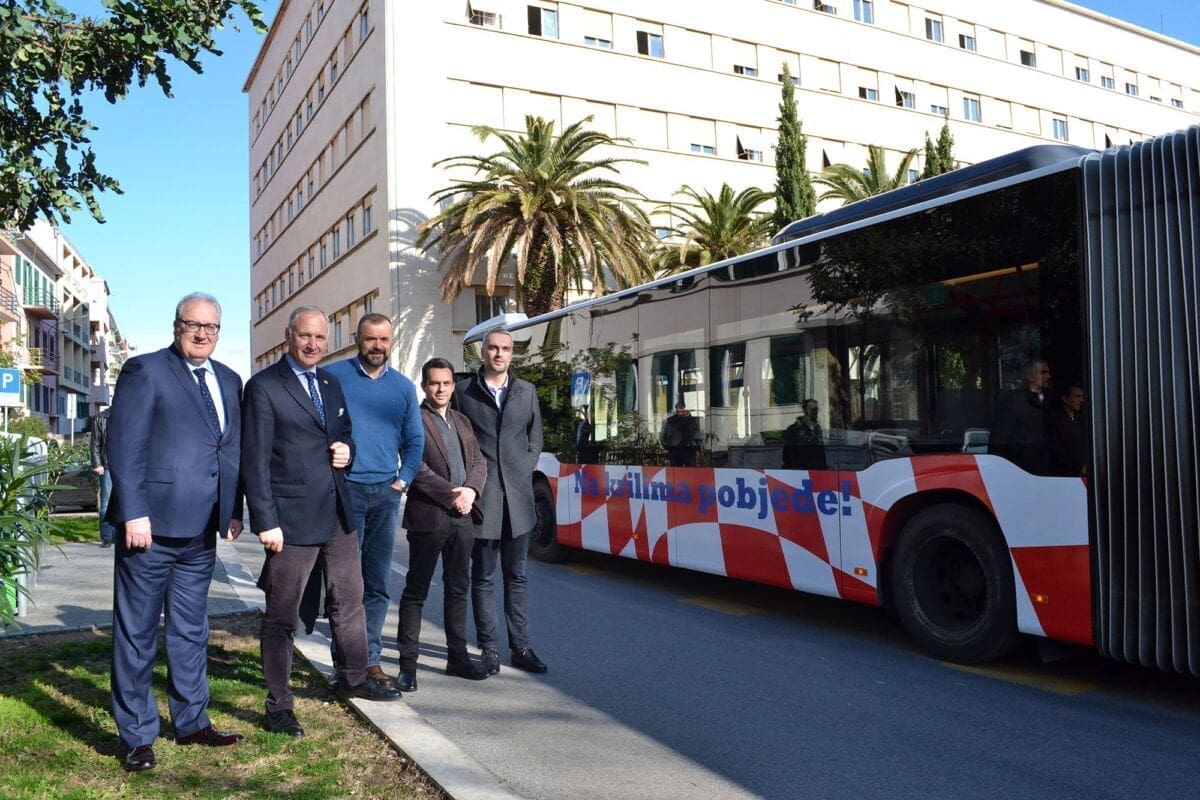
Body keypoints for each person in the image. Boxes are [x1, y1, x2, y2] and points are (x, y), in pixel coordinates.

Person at [241, 306, 400, 740]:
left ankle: (352, 677)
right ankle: (279, 706)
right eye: (305, 336)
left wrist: (347, 451)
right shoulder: (264, 387)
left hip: (337, 514)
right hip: (290, 521)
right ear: (288, 335)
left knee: (349, 600)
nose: (313, 345)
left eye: (320, 338)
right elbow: (254, 460)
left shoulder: (330, 383)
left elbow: (343, 435)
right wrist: (265, 521)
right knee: (282, 615)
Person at [106, 292, 245, 772]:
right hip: (150, 530)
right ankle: (137, 735)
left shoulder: (229, 379)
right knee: (137, 634)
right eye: (193, 324)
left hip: (201, 532)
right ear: (176, 325)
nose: (202, 334)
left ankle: (192, 722)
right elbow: (124, 445)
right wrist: (133, 512)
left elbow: (229, 450)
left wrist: (232, 508)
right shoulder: (145, 371)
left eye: (211, 327)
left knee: (190, 631)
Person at [324, 313, 424, 687]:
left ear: (391, 342)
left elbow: (415, 440)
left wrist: (402, 481)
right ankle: (345, 663)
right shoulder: (333, 377)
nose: (377, 346)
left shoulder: (403, 388)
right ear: (357, 339)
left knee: (377, 584)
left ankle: (370, 660)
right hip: (345, 493)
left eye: (384, 339)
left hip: (385, 494)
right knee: (345, 585)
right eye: (370, 339)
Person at [455, 329, 548, 675]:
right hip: (483, 498)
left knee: (517, 575)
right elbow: (456, 439)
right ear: (483, 352)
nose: (499, 354)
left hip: (519, 500)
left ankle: (521, 648)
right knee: (483, 576)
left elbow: (535, 438)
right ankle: (489, 649)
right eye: (493, 348)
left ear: (512, 354)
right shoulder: (464, 392)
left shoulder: (527, 391)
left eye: (505, 349)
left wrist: (525, 467)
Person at [396, 358, 490, 692]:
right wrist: (452, 495)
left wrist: (471, 491)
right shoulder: (414, 420)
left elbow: (479, 461)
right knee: (416, 591)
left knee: (458, 588)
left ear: (453, 385)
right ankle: (408, 665)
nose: (441, 389)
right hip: (429, 517)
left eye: (446, 383)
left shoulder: (462, 420)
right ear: (424, 386)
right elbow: (416, 467)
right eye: (434, 383)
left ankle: (457, 658)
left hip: (463, 517)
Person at [991, 359, 1052, 475]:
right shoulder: (1014, 402)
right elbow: (998, 440)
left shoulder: (1048, 402)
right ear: (1030, 376)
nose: (1049, 376)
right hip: (1018, 472)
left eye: (1048, 372)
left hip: (1044, 472)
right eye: (1043, 372)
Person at [1048, 383, 1088, 477]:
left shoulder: (1083, 420)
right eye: (1077, 396)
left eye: (1082, 397)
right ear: (1065, 399)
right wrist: (1079, 466)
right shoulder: (1054, 420)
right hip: (1064, 475)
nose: (1081, 400)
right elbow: (1056, 449)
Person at [90, 404, 114, 548]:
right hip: (107, 466)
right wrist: (97, 464)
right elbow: (95, 444)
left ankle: (118, 536)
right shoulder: (101, 418)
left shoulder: (129, 415)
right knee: (106, 503)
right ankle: (107, 537)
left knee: (124, 502)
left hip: (125, 467)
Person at [783, 398, 825, 469]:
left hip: (816, 471)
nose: (815, 411)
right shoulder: (793, 429)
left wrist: (824, 467)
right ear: (804, 410)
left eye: (816, 409)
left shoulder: (818, 428)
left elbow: (821, 452)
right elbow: (787, 455)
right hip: (800, 470)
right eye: (811, 409)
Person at [661, 402, 701, 467]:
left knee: (689, 470)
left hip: (688, 450)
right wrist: (667, 447)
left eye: (682, 410)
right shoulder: (670, 421)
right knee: (678, 470)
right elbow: (665, 436)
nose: (680, 412)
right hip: (676, 450)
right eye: (679, 410)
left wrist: (697, 449)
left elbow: (696, 435)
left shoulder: (692, 420)